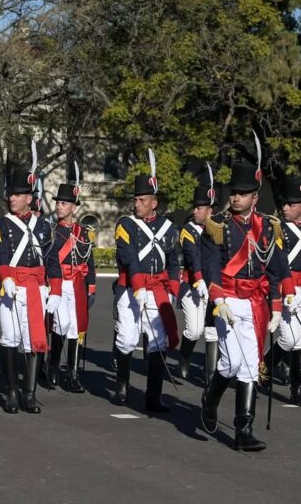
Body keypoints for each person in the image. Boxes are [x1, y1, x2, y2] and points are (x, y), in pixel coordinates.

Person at [200, 159, 292, 451]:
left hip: (254, 301)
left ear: (255, 196)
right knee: (231, 363)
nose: (236, 198)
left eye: (242, 193)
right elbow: (210, 266)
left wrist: (276, 306)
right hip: (227, 299)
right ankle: (209, 401)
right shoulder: (217, 225)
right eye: (233, 193)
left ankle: (244, 430)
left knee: (251, 365)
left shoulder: (268, 226)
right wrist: (218, 299)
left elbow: (275, 269)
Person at [112, 154, 180, 412]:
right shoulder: (125, 224)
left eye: (142, 200)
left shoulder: (168, 228)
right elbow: (128, 257)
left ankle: (153, 396)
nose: (137, 204)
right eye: (136, 199)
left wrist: (173, 291)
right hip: (131, 289)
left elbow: (173, 263)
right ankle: (122, 385)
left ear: (154, 203)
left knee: (157, 342)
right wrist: (139, 286)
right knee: (127, 339)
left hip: (157, 290)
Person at [0, 166, 55, 414]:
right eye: (11, 194)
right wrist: (5, 277)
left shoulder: (44, 226)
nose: (12, 198)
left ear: (29, 198)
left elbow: (51, 261)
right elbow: (0, 253)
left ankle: (29, 393)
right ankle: (11, 391)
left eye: (17, 195)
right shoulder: (1, 225)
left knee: (32, 339)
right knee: (10, 336)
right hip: (12, 287)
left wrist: (56, 290)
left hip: (36, 288)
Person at [260, 172, 301, 407]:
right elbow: (275, 264)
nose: (285, 208)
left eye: (291, 204)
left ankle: (298, 390)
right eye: (284, 204)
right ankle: (264, 366)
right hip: (286, 288)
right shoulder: (277, 229)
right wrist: (280, 292)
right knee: (288, 338)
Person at [45, 172, 96, 393]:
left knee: (76, 328)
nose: (59, 207)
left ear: (73, 207)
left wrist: (91, 287)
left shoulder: (84, 233)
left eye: (64, 203)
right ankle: (53, 365)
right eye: (58, 203)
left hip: (77, 284)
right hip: (59, 283)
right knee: (62, 323)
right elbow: (48, 260)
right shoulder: (51, 231)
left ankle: (72, 374)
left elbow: (89, 261)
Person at [178, 167, 217, 383]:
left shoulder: (219, 228)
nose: (195, 211)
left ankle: (211, 374)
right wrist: (200, 279)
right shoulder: (188, 230)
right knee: (194, 331)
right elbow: (192, 257)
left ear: (210, 210)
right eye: (194, 207)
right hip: (192, 285)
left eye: (199, 207)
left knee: (213, 331)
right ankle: (184, 358)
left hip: (214, 286)